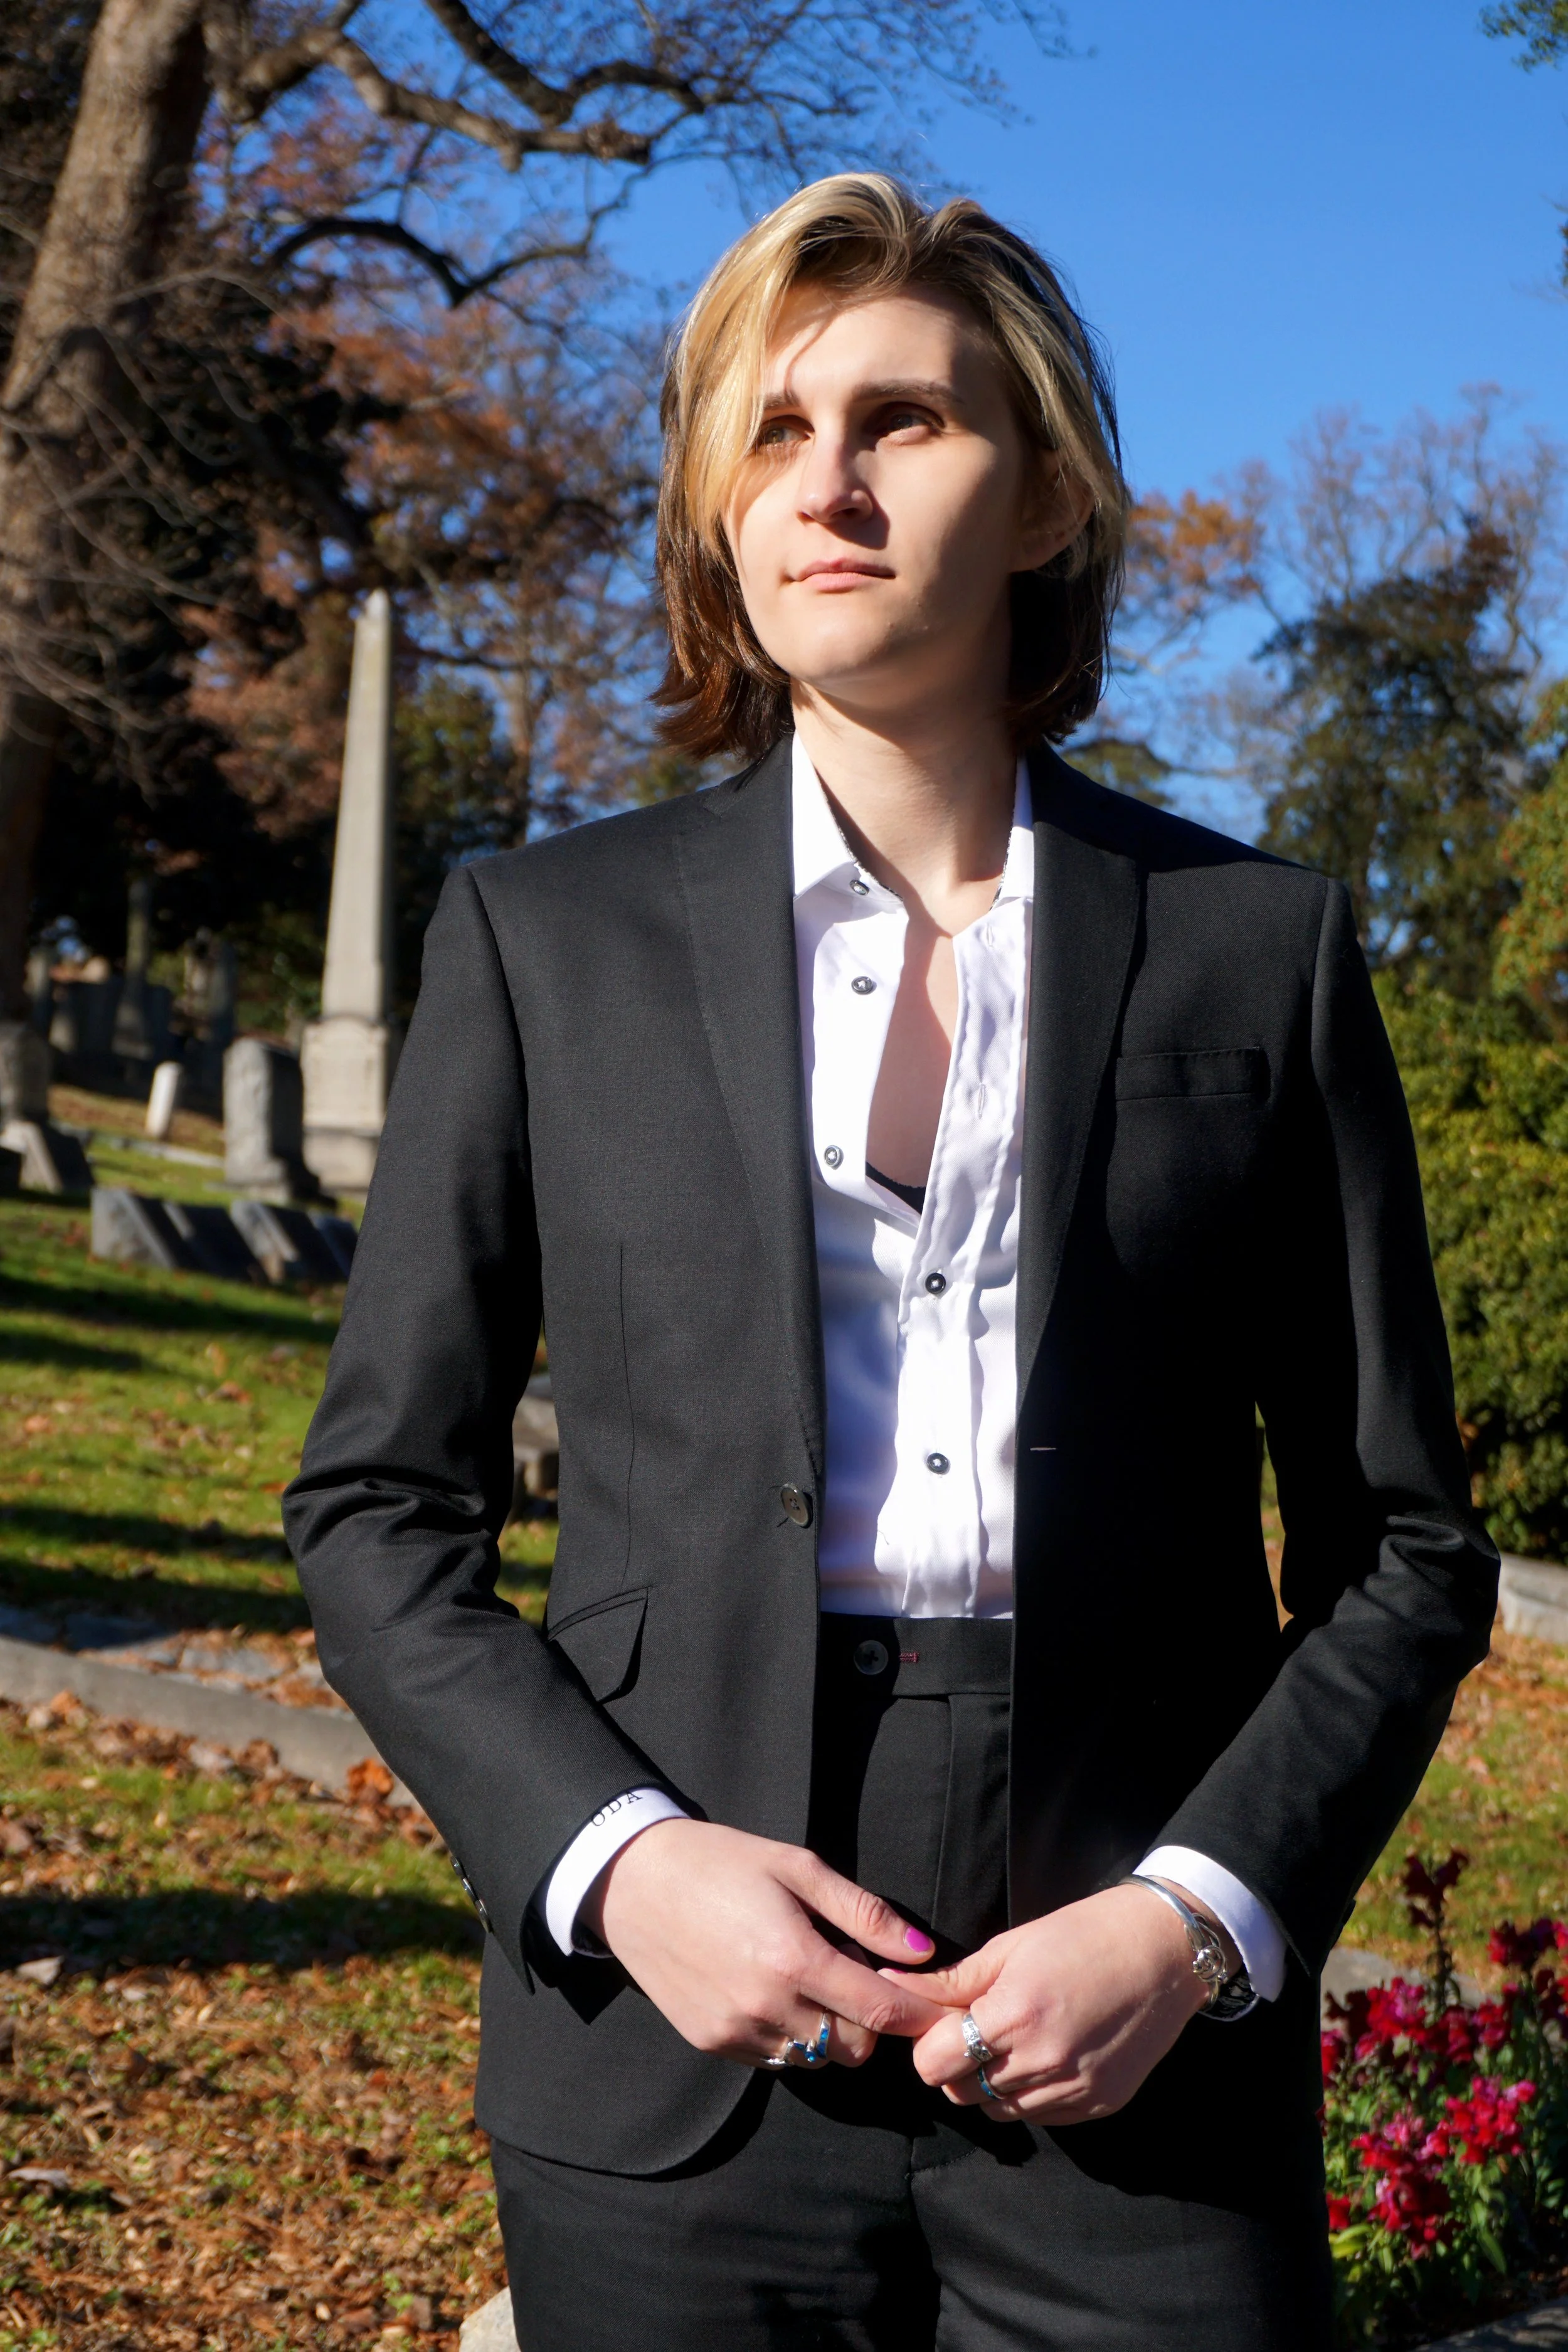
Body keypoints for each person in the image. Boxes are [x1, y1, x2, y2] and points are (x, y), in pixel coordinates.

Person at [285, 174, 1498, 2350]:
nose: (823, 482)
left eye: (902, 420)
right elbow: (378, 1506)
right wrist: (621, 1860)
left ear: (1038, 497)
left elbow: (1403, 1542)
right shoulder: (539, 943)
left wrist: (1194, 1919)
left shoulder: (1258, 950)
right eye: (767, 431)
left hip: (1132, 2051)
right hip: (668, 2038)